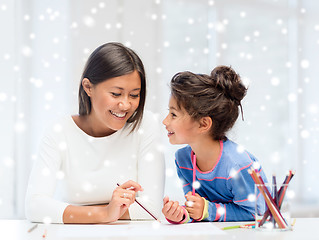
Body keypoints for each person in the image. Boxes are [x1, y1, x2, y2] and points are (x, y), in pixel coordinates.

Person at [25, 42, 165, 224]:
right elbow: (35, 206)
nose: (125, 105)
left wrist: (76, 212)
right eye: (116, 94)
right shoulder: (59, 131)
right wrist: (105, 213)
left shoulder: (145, 125)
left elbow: (152, 208)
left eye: (134, 95)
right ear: (88, 87)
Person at [162, 65, 267, 223]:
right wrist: (182, 214)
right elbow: (198, 210)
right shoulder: (183, 160)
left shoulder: (238, 165)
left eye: (173, 114)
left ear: (203, 124)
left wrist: (207, 210)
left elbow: (257, 213)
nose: (165, 121)